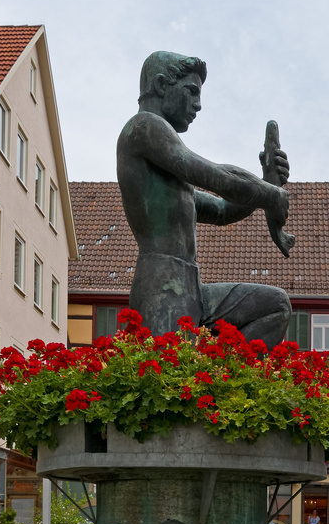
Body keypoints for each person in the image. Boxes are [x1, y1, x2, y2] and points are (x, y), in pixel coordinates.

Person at [117, 51, 293, 340]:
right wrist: (269, 194)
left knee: (276, 306)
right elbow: (217, 176)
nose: (198, 105)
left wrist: (266, 184)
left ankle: (223, 380)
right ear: (162, 85)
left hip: (190, 287)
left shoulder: (169, 177)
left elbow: (223, 209)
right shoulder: (144, 127)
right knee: (171, 378)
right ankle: (214, 378)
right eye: (191, 92)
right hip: (161, 286)